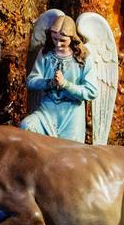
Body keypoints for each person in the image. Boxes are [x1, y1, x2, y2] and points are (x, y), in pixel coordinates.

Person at [20, 11, 97, 141]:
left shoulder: (83, 58)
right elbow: (31, 81)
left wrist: (66, 85)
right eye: (55, 39)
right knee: (26, 126)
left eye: (63, 40)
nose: (58, 44)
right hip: (47, 111)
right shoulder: (45, 54)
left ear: (72, 38)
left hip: (71, 114)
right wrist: (49, 83)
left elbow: (91, 91)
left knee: (68, 153)